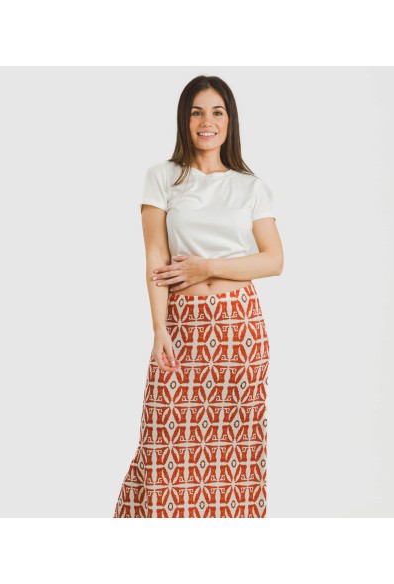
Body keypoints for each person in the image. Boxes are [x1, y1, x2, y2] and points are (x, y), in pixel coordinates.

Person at [113, 75, 284, 518]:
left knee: (237, 449)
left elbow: (273, 260)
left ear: (230, 120)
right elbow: (155, 257)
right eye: (196, 112)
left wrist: (207, 267)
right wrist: (159, 328)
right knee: (163, 444)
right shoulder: (163, 177)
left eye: (217, 112)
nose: (207, 121)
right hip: (182, 325)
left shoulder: (250, 185)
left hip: (238, 331)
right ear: (184, 120)